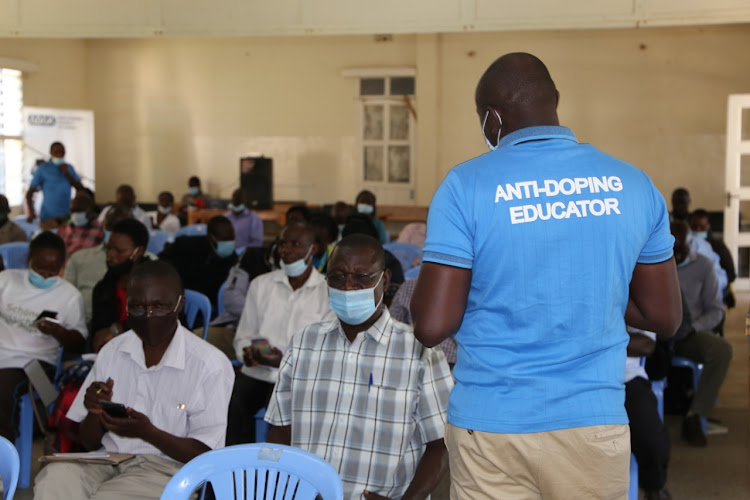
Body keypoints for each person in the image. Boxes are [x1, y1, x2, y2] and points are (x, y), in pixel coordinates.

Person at [411, 52, 682, 499]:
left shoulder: (465, 186)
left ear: (492, 119)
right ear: (554, 101)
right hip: (592, 421)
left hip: (491, 425)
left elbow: (431, 325)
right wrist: (601, 290)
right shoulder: (633, 184)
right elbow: (665, 317)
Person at [265, 234, 453, 499]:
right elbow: (281, 430)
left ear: (384, 280)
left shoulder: (419, 351)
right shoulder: (304, 343)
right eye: (337, 277)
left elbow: (441, 444)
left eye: (361, 277)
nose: (348, 287)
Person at [34, 260, 234, 500]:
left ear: (179, 304)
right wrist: (95, 412)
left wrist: (148, 432)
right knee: (55, 478)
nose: (148, 316)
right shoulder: (113, 351)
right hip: (108, 459)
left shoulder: (208, 364)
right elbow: (89, 441)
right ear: (126, 307)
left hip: (167, 469)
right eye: (137, 308)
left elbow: (206, 455)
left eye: (159, 306)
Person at [227, 221, 330, 445]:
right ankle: (237, 467)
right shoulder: (261, 285)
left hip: (299, 377)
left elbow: (326, 350)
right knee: (231, 402)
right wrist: (251, 353)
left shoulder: (326, 291)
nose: (287, 250)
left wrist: (284, 361)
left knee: (283, 413)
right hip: (259, 371)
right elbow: (243, 335)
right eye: (283, 243)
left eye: (295, 244)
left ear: (313, 249)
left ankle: (277, 472)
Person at [0, 231, 87, 442]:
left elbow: (79, 342)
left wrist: (58, 332)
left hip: (36, 364)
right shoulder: (7, 280)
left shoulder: (69, 296)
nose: (47, 275)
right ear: (29, 260)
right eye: (40, 268)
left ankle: (5, 452)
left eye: (54, 270)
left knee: (3, 386)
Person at [671, 221, 733, 446]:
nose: (676, 256)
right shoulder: (655, 263)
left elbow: (716, 311)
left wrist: (692, 327)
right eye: (672, 249)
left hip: (690, 334)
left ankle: (695, 414)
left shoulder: (704, 266)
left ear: (691, 244)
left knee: (722, 350)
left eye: (681, 250)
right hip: (658, 337)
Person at [64, 204, 135, 327]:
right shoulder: (79, 258)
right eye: (111, 227)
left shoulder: (147, 263)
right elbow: (64, 295)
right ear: (103, 227)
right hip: (84, 325)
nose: (115, 233)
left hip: (130, 327)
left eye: (121, 228)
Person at [91, 219, 152, 352]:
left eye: (119, 251)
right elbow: (98, 332)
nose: (111, 255)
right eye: (109, 249)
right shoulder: (103, 288)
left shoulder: (158, 283)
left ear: (138, 252)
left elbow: (161, 323)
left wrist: (119, 329)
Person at [625, 328, 671, 500]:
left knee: (651, 438)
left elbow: (646, 344)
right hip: (574, 376)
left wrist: (595, 338)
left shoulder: (631, 301)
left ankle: (653, 488)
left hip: (626, 377)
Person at [158, 215, 237, 314]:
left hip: (211, 306)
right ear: (210, 238)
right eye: (223, 240)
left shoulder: (232, 258)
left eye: (231, 238)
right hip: (180, 299)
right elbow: (162, 260)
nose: (228, 243)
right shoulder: (187, 245)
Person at [390, 277, 457, 369]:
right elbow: (392, 331)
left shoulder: (466, 289)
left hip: (452, 365)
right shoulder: (408, 288)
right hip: (411, 363)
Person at [25, 142, 84, 230]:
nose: (60, 154)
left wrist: (67, 174)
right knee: (49, 242)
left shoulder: (69, 168)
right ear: (51, 153)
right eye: (56, 152)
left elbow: (81, 189)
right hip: (48, 217)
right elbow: (29, 193)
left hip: (67, 217)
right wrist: (31, 213)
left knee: (66, 241)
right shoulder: (43, 169)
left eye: (62, 152)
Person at [690, 208, 736, 307]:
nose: (698, 230)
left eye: (702, 227)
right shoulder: (686, 245)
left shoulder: (717, 246)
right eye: (694, 226)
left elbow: (730, 273)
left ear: (708, 227)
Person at [56, 193, 104, 261]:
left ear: (90, 212)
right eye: (73, 211)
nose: (76, 215)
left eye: (80, 211)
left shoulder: (100, 229)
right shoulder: (64, 228)